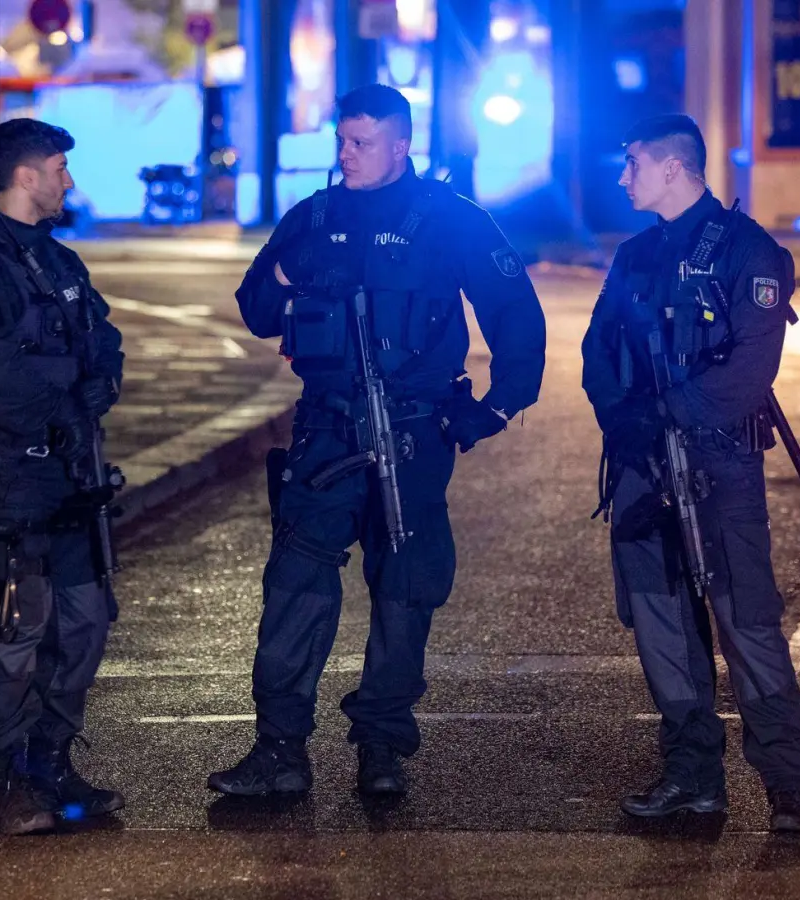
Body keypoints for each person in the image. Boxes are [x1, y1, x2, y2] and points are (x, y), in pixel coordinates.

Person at [209, 84, 547, 797]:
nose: (346, 154)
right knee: (296, 585)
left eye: (362, 142)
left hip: (415, 429)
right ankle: (279, 751)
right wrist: (285, 268)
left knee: (405, 587)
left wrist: (499, 407)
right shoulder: (315, 216)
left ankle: (382, 746)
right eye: (342, 140)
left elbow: (515, 314)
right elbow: (256, 311)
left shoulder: (451, 220)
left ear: (402, 145)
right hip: (327, 429)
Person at [580, 114, 800, 833]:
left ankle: (789, 788)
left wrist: (673, 410)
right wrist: (623, 419)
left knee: (747, 623)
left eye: (634, 164)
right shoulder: (634, 256)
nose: (624, 177)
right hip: (642, 467)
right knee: (663, 628)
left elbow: (751, 366)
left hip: (719, 464)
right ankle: (693, 778)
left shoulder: (748, 253)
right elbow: (598, 350)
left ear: (674, 170)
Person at [0, 118, 126, 836]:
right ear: (25, 176)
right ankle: (7, 783)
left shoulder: (59, 262)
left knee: (86, 625)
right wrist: (74, 396)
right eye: (59, 168)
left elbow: (104, 339)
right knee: (18, 633)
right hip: (15, 478)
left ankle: (51, 761)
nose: (68, 181)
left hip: (75, 477)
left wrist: (97, 380)